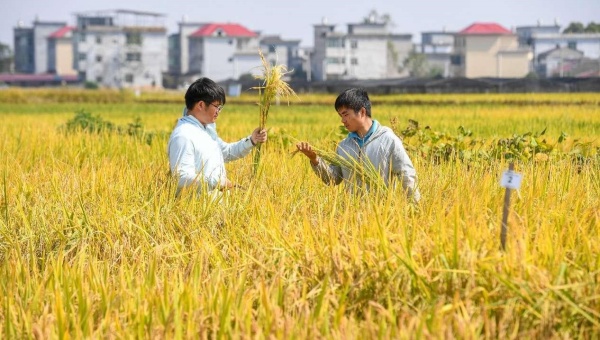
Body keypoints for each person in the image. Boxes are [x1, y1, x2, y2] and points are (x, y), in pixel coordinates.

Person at [295, 88, 421, 202]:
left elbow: (407, 175)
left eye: (345, 114)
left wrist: (414, 209)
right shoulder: (344, 146)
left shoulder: (388, 140)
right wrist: (315, 159)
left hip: (382, 214)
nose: (342, 120)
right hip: (352, 217)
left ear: (361, 112)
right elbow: (333, 179)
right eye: (340, 116)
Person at [168, 77, 267, 196]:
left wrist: (251, 141)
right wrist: (218, 182)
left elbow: (227, 152)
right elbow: (181, 178)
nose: (218, 111)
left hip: (215, 204)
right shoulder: (183, 135)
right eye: (217, 106)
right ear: (201, 105)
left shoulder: (205, 130)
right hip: (197, 209)